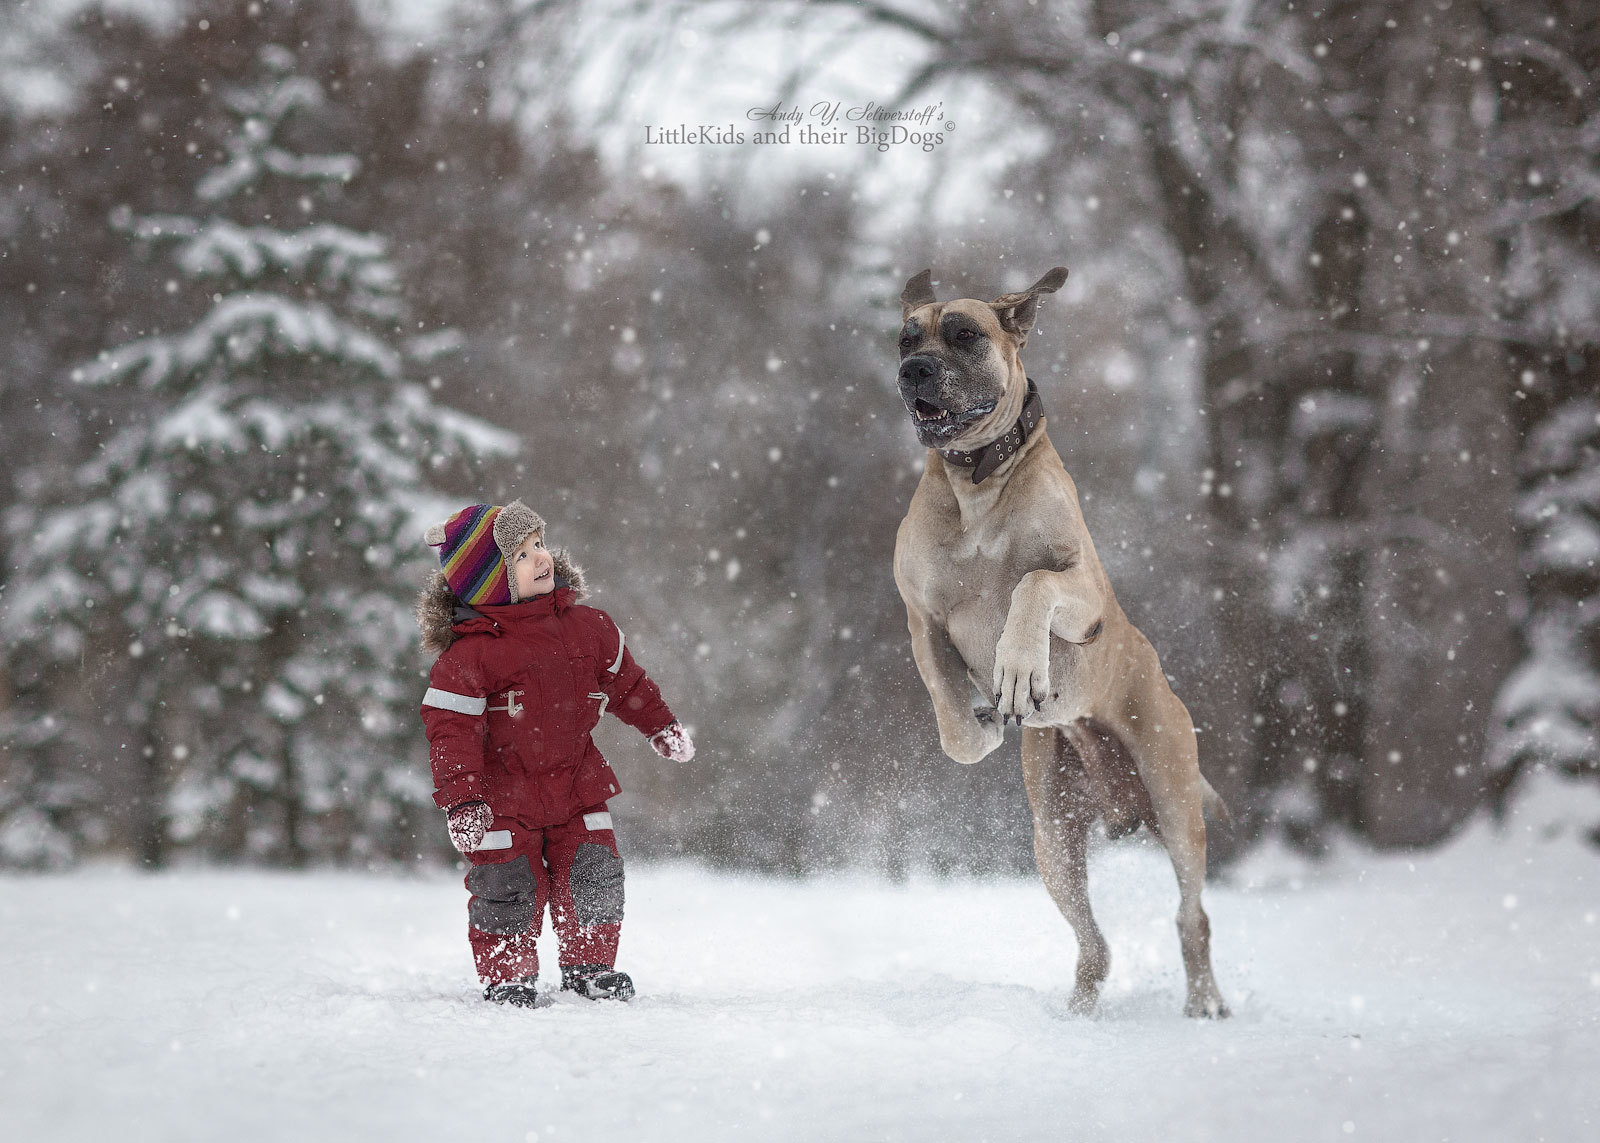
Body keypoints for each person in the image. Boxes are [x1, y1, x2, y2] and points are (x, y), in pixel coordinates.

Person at [416, 500, 694, 1007]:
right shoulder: (469, 657)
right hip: (503, 800)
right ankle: (508, 975)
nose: (542, 558)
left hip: (576, 787)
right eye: (522, 554)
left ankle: (590, 967)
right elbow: (449, 731)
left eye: (540, 544)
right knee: (507, 887)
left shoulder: (588, 628)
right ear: (492, 581)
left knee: (594, 873)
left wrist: (660, 725)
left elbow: (626, 683)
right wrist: (463, 802)